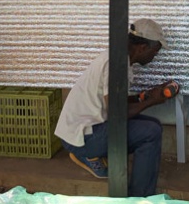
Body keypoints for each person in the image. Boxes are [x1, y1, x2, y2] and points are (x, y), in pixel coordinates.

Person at [54, 19, 178, 197]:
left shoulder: (119, 58)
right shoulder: (117, 64)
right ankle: (139, 197)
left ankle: (91, 156)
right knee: (150, 132)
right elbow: (117, 113)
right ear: (142, 47)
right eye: (155, 51)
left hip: (85, 130)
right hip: (83, 137)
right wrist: (152, 101)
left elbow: (116, 102)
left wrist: (145, 96)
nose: (155, 56)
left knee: (153, 125)